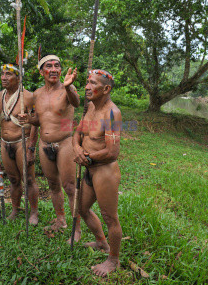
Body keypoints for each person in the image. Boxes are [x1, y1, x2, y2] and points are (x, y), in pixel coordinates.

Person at [19, 55, 81, 243]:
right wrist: (29, 120)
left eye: (57, 66)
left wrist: (69, 86)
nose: (54, 69)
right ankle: (60, 219)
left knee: (70, 187)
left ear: (61, 71)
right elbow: (40, 120)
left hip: (64, 144)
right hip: (44, 145)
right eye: (49, 66)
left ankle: (76, 229)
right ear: (41, 71)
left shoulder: (67, 89)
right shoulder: (36, 94)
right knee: (53, 185)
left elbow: (77, 102)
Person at [73, 69, 122, 277]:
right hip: (89, 169)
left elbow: (112, 151)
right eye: (87, 82)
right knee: (82, 209)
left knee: (110, 217)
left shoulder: (112, 113)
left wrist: (88, 158)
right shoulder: (91, 107)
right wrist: (76, 148)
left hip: (104, 172)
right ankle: (102, 242)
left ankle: (113, 260)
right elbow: (78, 133)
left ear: (106, 89)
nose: (87, 87)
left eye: (92, 83)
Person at [0, 63, 39, 224]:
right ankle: (15, 209)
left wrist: (31, 148)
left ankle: (33, 212)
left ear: (18, 77)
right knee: (13, 179)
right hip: (5, 142)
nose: (3, 77)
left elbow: (35, 123)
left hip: (23, 141)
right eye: (2, 74)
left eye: (8, 74)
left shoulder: (28, 96)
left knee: (28, 179)